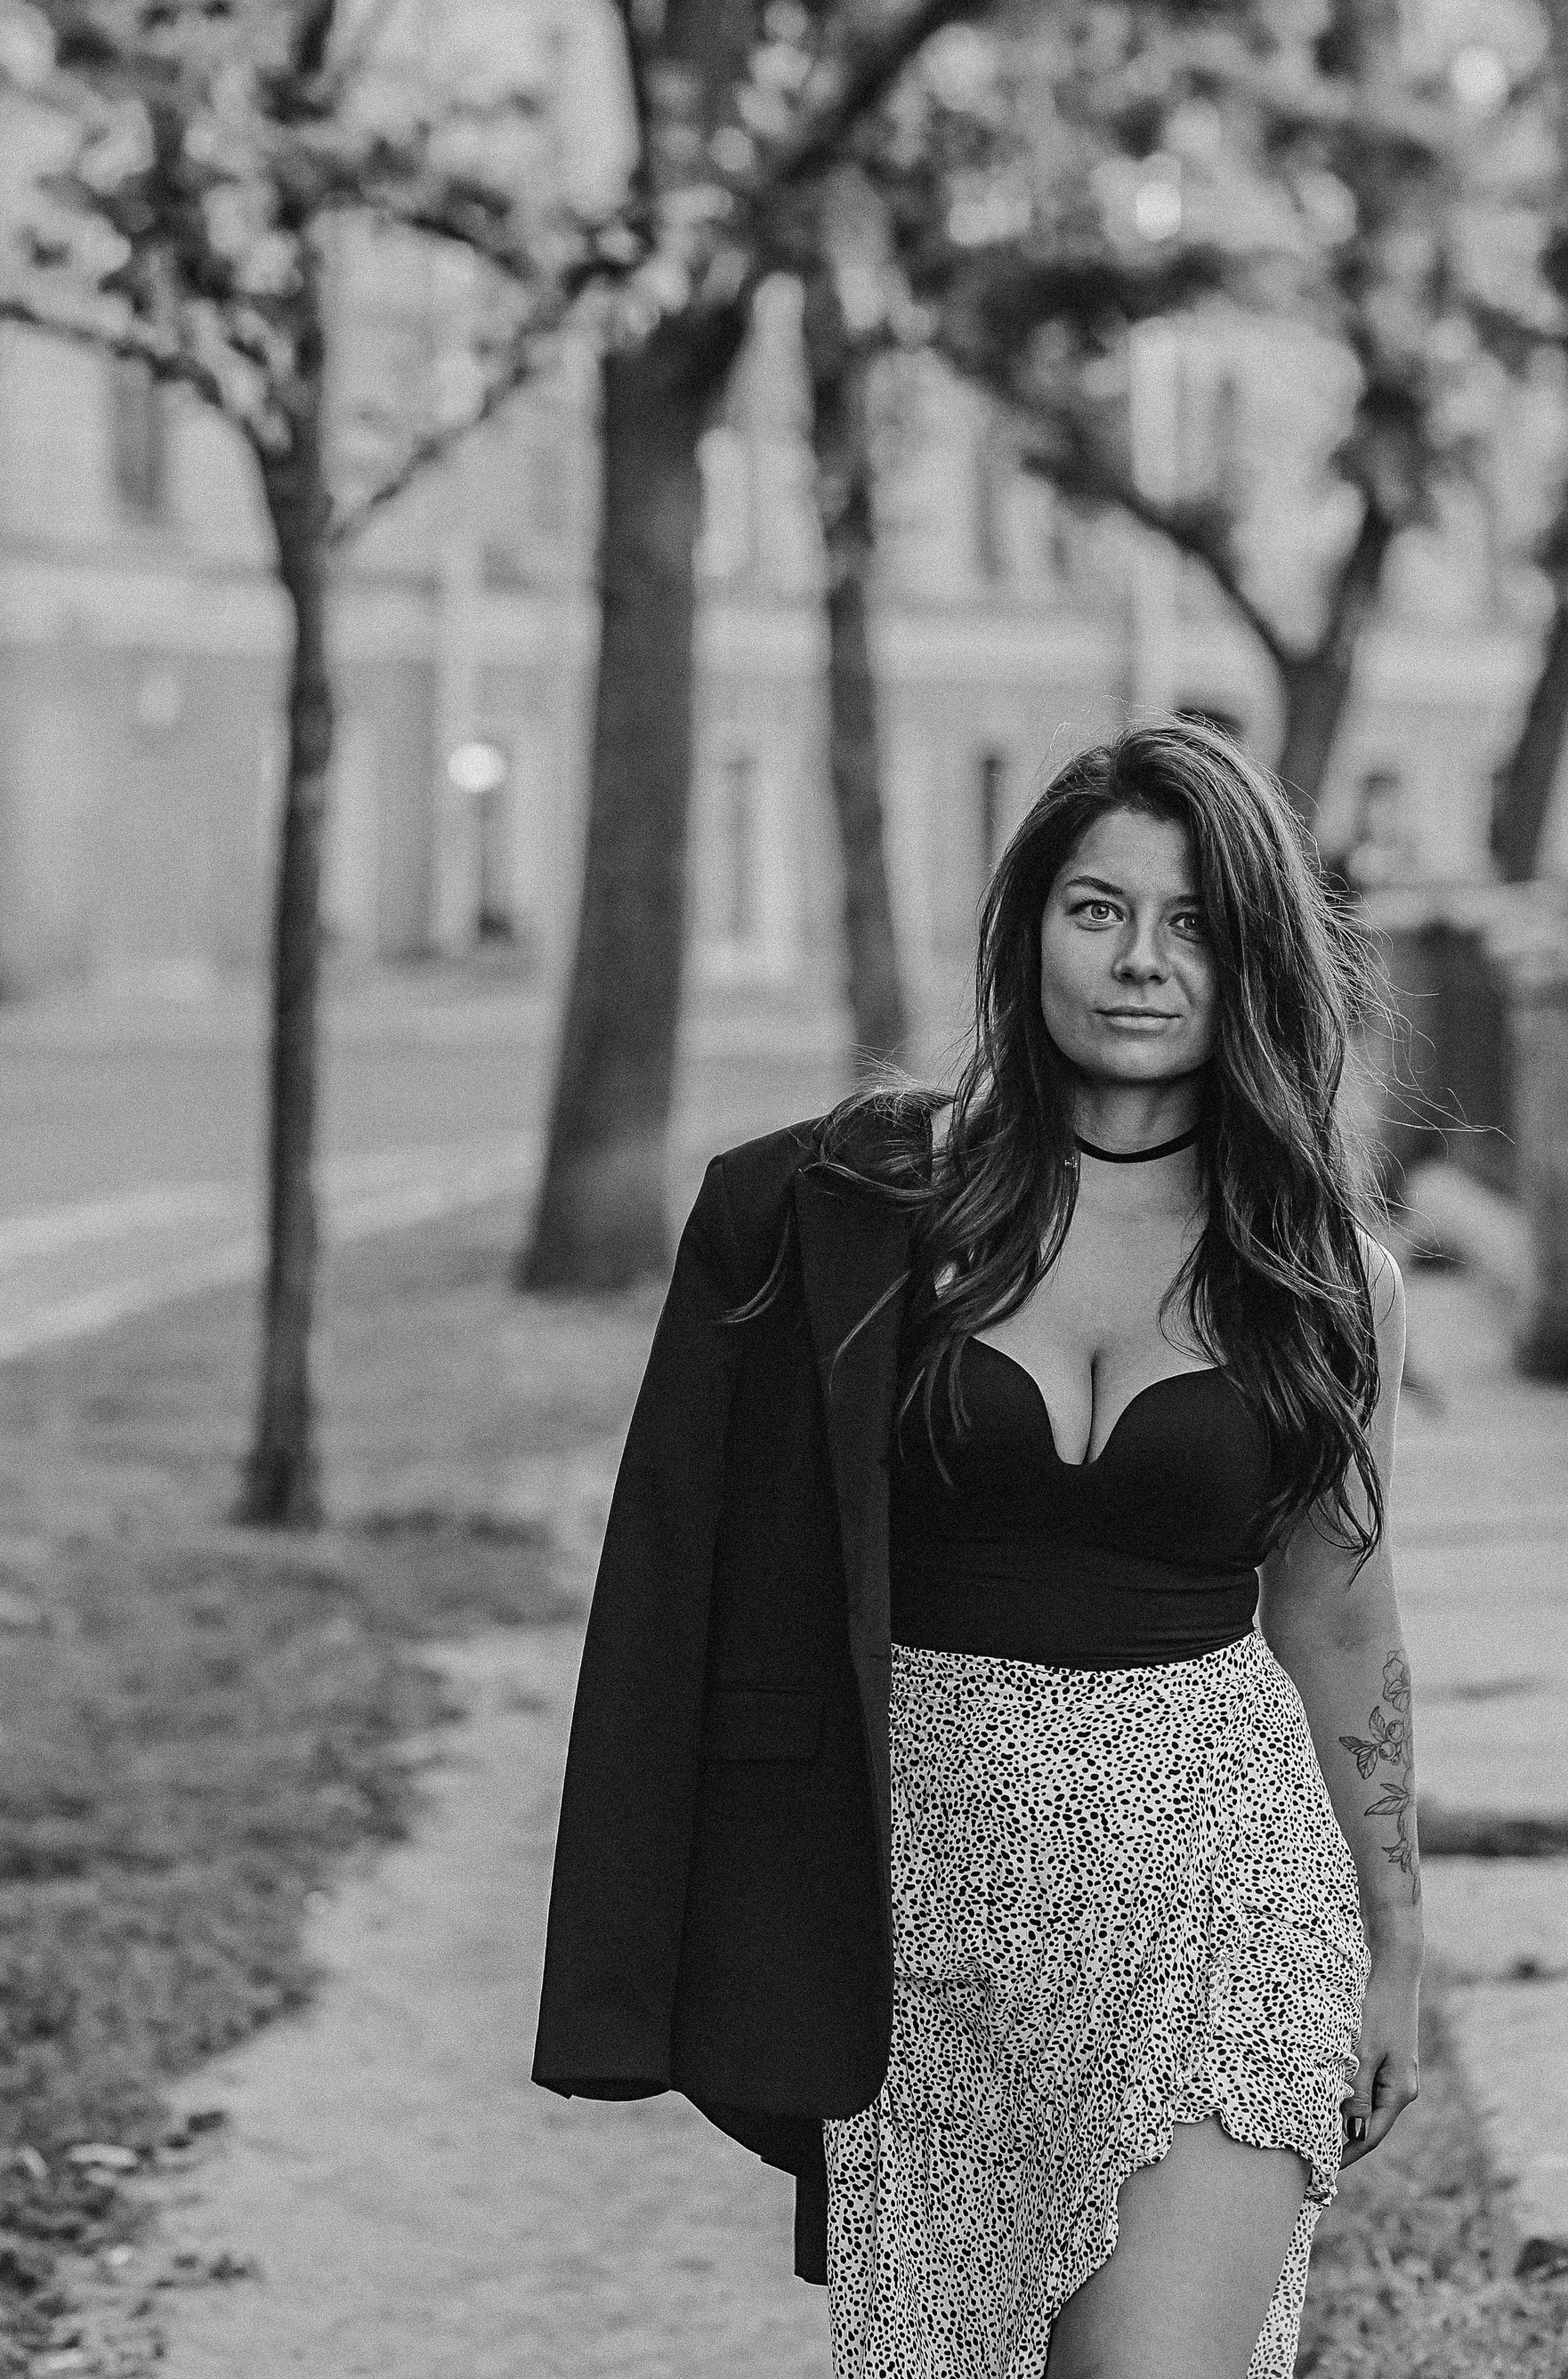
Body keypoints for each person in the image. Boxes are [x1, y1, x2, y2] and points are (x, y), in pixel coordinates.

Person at [535, 722, 1423, 2379]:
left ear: (1256, 960)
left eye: (1195, 922)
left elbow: (1340, 1615)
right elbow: (690, 1577)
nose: (1143, 959)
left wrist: (1396, 1946)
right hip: (929, 1916)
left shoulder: (1323, 1274)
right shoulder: (859, 1215)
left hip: (1222, 1897)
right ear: (1029, 930)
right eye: (1099, 909)